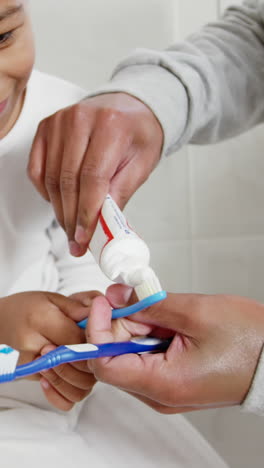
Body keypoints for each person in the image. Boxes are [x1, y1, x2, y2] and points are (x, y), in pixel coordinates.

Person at [0, 2, 229, 468]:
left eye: (2, 37)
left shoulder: (62, 118)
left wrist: (90, 306)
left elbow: (79, 242)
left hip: (63, 392)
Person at [28, 0, 264, 417]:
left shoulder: (46, 107)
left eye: (3, 36)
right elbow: (256, 37)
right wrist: (154, 98)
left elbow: (75, 261)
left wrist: (256, 366)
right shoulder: (62, 130)